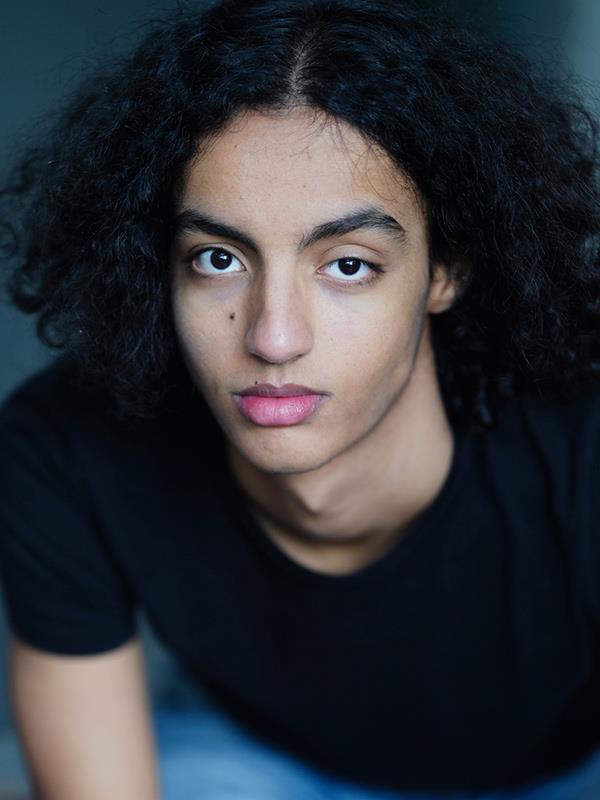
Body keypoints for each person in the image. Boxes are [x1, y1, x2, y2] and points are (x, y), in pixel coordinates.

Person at [0, 0, 599, 797]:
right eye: (218, 259)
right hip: (261, 764)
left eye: (348, 265)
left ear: (445, 271)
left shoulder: (581, 444)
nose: (274, 338)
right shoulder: (65, 450)